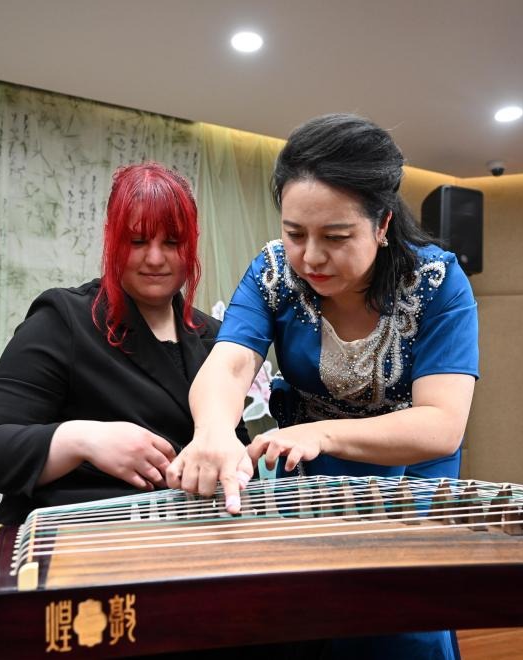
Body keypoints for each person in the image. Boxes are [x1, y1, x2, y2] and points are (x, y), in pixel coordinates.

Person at [166, 114, 479, 659]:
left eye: (336, 237)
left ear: (382, 225)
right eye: (295, 234)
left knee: (400, 628)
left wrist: (323, 433)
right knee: (304, 621)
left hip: (407, 480)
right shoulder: (273, 273)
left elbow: (441, 423)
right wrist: (213, 430)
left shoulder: (435, 283)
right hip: (310, 480)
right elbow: (230, 363)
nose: (310, 256)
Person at [0, 162, 248, 526]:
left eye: (172, 242)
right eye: (138, 241)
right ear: (113, 240)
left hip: (180, 541)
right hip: (69, 542)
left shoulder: (215, 338)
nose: (155, 258)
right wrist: (84, 440)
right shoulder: (64, 318)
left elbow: (235, 452)